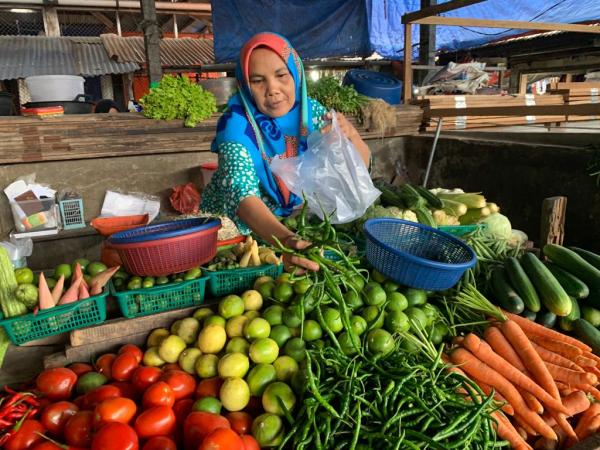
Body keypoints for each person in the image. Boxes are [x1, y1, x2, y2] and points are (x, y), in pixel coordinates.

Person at [201, 32, 371, 272]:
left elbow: (358, 169)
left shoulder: (311, 112)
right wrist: (288, 242)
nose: (272, 89)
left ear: (296, 73)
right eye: (258, 81)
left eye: (281, 75)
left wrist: (350, 137)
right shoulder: (236, 125)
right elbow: (243, 196)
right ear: (244, 84)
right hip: (236, 235)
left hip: (292, 227)